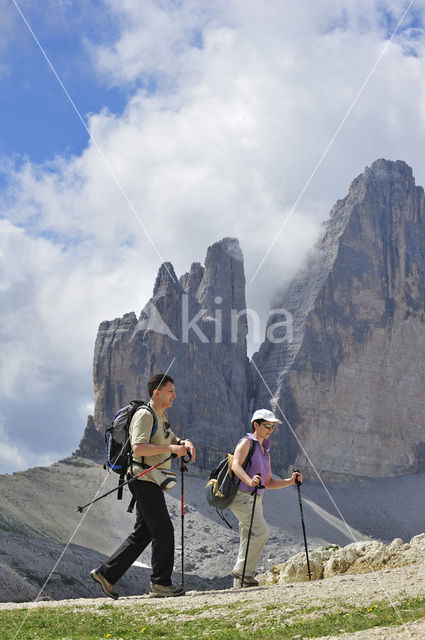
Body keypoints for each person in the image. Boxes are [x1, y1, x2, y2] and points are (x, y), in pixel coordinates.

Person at [91, 373, 196, 599]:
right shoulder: (144, 415)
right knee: (164, 529)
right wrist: (171, 450)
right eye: (170, 391)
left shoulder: (161, 416)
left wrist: (184, 443)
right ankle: (160, 583)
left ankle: (106, 575)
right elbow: (138, 448)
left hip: (151, 479)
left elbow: (172, 440)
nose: (175, 395)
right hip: (142, 478)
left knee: (144, 533)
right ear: (156, 393)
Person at [230, 408, 302, 586]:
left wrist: (290, 481)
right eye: (267, 425)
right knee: (261, 532)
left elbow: (268, 481)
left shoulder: (265, 451)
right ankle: (243, 572)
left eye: (272, 426)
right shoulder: (247, 442)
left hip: (256, 500)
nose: (270, 429)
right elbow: (236, 466)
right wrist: (249, 480)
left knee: (248, 537)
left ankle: (239, 585)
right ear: (256, 424)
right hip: (242, 496)